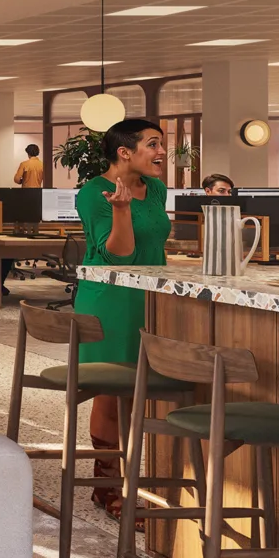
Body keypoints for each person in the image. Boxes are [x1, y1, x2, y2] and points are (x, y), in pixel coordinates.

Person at [72, 117, 170, 518]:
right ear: (124, 152)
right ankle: (107, 484)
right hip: (109, 299)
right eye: (153, 144)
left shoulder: (158, 188)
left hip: (152, 299)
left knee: (140, 394)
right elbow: (120, 255)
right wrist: (123, 210)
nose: (162, 152)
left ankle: (130, 481)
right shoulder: (94, 193)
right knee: (113, 394)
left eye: (161, 144)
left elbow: (157, 240)